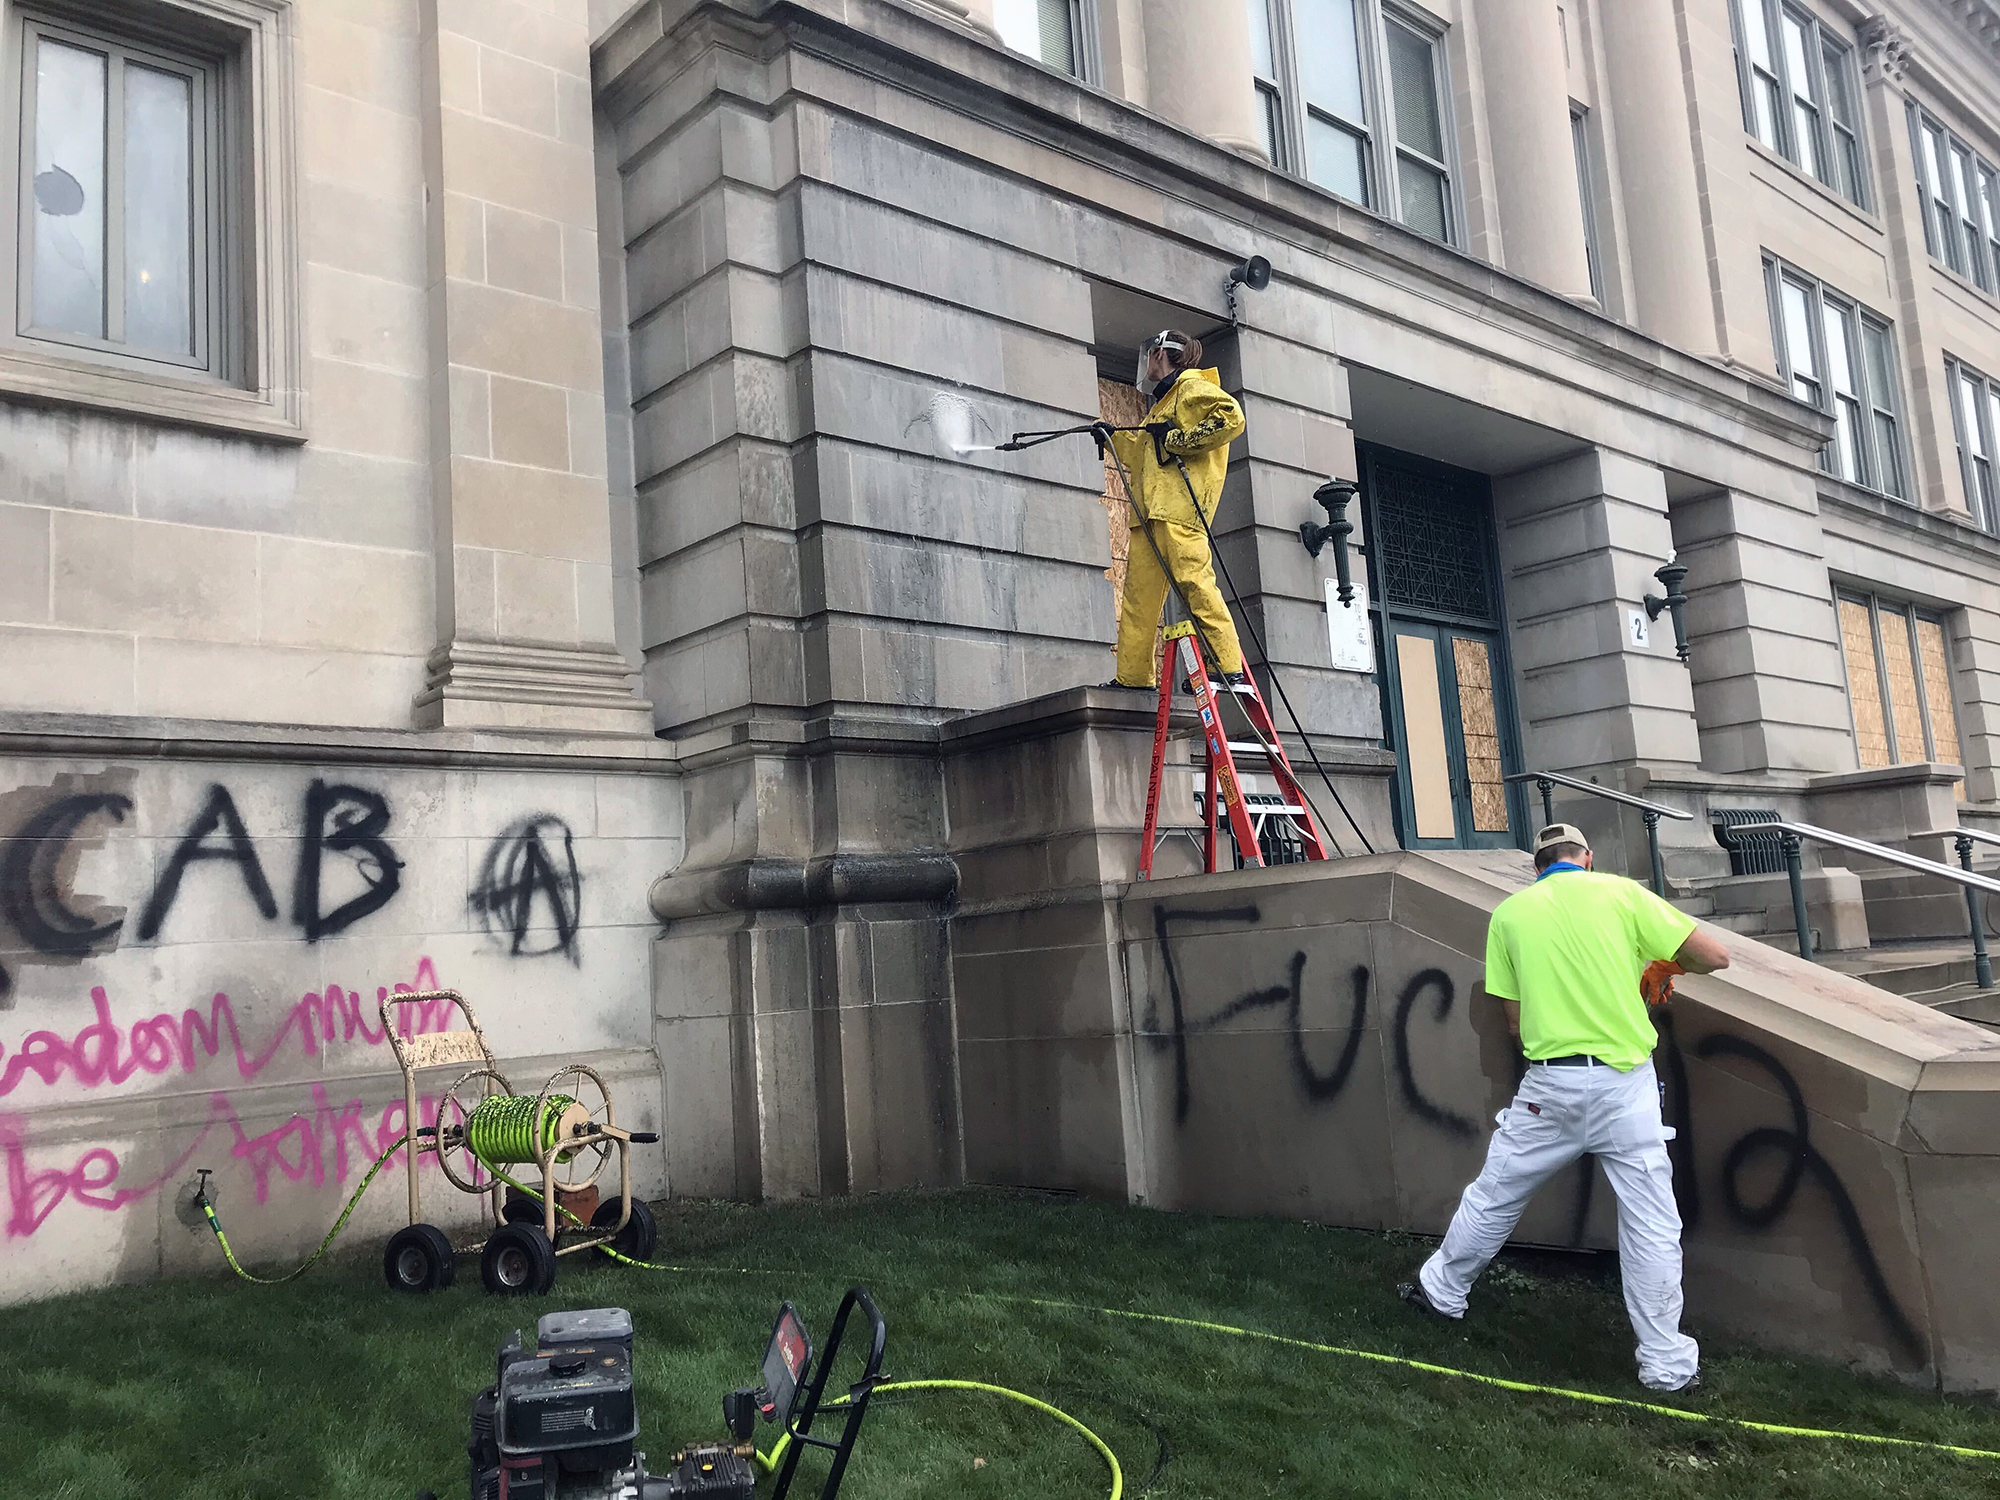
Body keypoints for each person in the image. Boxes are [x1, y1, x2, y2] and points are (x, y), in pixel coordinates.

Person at [1398, 821, 1731, 1394]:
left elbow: (1513, 1022)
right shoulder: (1623, 894)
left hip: (1550, 1083)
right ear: (1588, 858)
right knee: (1651, 1225)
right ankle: (1667, 1367)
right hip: (1626, 1085)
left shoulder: (1511, 915)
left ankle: (1441, 1294)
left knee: (1495, 1196)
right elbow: (1716, 955)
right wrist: (1659, 966)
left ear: (1537, 867)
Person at [1096, 330, 1246, 692]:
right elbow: (1143, 458)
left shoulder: (1192, 389)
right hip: (1150, 514)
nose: (1146, 363)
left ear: (1160, 354)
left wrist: (1177, 439)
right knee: (1139, 600)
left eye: (1150, 355)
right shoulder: (1161, 407)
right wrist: (1113, 437)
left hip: (1179, 511)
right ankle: (1133, 676)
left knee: (1196, 584)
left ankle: (1226, 663)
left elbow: (1231, 418)